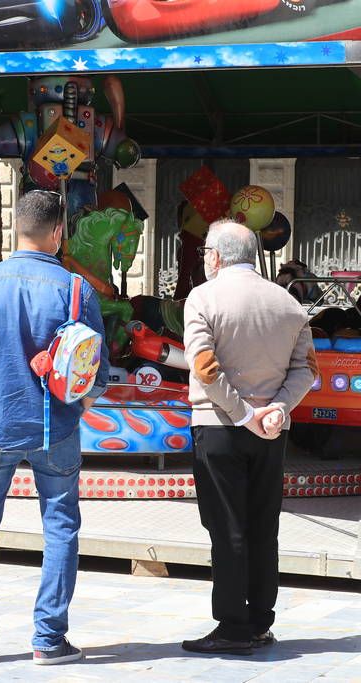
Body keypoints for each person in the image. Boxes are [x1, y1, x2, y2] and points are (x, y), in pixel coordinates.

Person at [0, 190, 110, 666]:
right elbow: (95, 374)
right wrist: (74, 410)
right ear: (59, 232)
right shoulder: (77, 291)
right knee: (59, 528)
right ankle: (48, 640)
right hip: (54, 428)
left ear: (16, 228)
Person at [181, 221, 316, 655]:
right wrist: (276, 408)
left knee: (227, 529)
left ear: (216, 257)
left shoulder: (203, 298)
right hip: (272, 431)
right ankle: (260, 620)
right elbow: (308, 368)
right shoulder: (289, 303)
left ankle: (232, 626)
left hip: (220, 426)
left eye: (206, 253)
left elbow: (204, 367)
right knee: (263, 526)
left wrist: (242, 414)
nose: (204, 260)